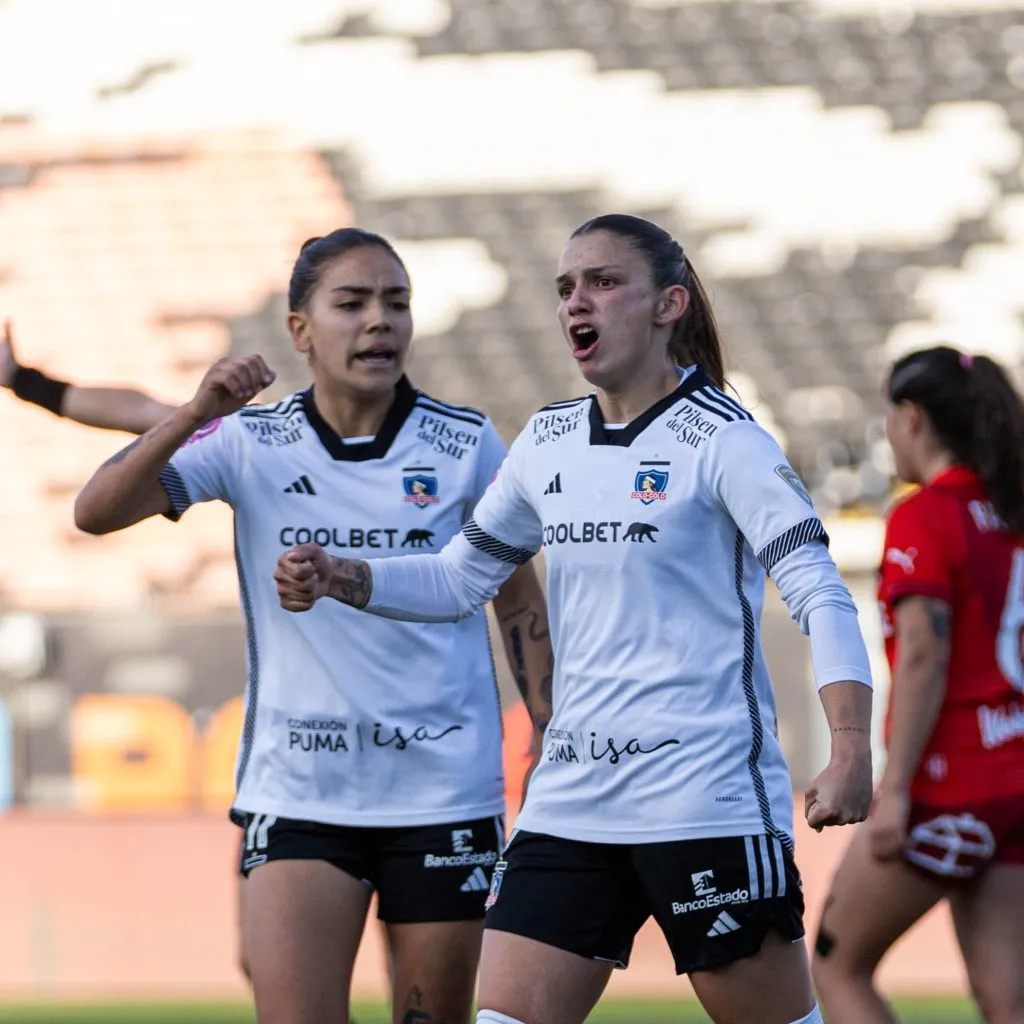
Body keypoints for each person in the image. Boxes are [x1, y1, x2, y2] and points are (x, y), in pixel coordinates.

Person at [273, 213, 875, 1024]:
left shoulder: (726, 440)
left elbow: (820, 593)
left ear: (667, 305)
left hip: (701, 799)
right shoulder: (549, 439)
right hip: (572, 802)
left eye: (603, 282)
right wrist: (346, 577)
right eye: (565, 288)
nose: (576, 303)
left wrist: (849, 748)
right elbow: (458, 578)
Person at [73, 227, 553, 1024]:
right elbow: (95, 513)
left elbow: (519, 597)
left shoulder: (464, 443)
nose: (380, 321)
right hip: (301, 792)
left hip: (441, 791)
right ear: (300, 329)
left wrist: (547, 726)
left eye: (397, 303)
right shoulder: (249, 440)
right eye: (352, 303)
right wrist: (195, 412)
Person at [812, 347, 1024, 1024]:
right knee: (1008, 1001)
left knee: (837, 966)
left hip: (948, 783)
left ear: (911, 418)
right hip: (1014, 778)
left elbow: (925, 654)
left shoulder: (925, 515)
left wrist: (897, 788)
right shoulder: (1010, 515)